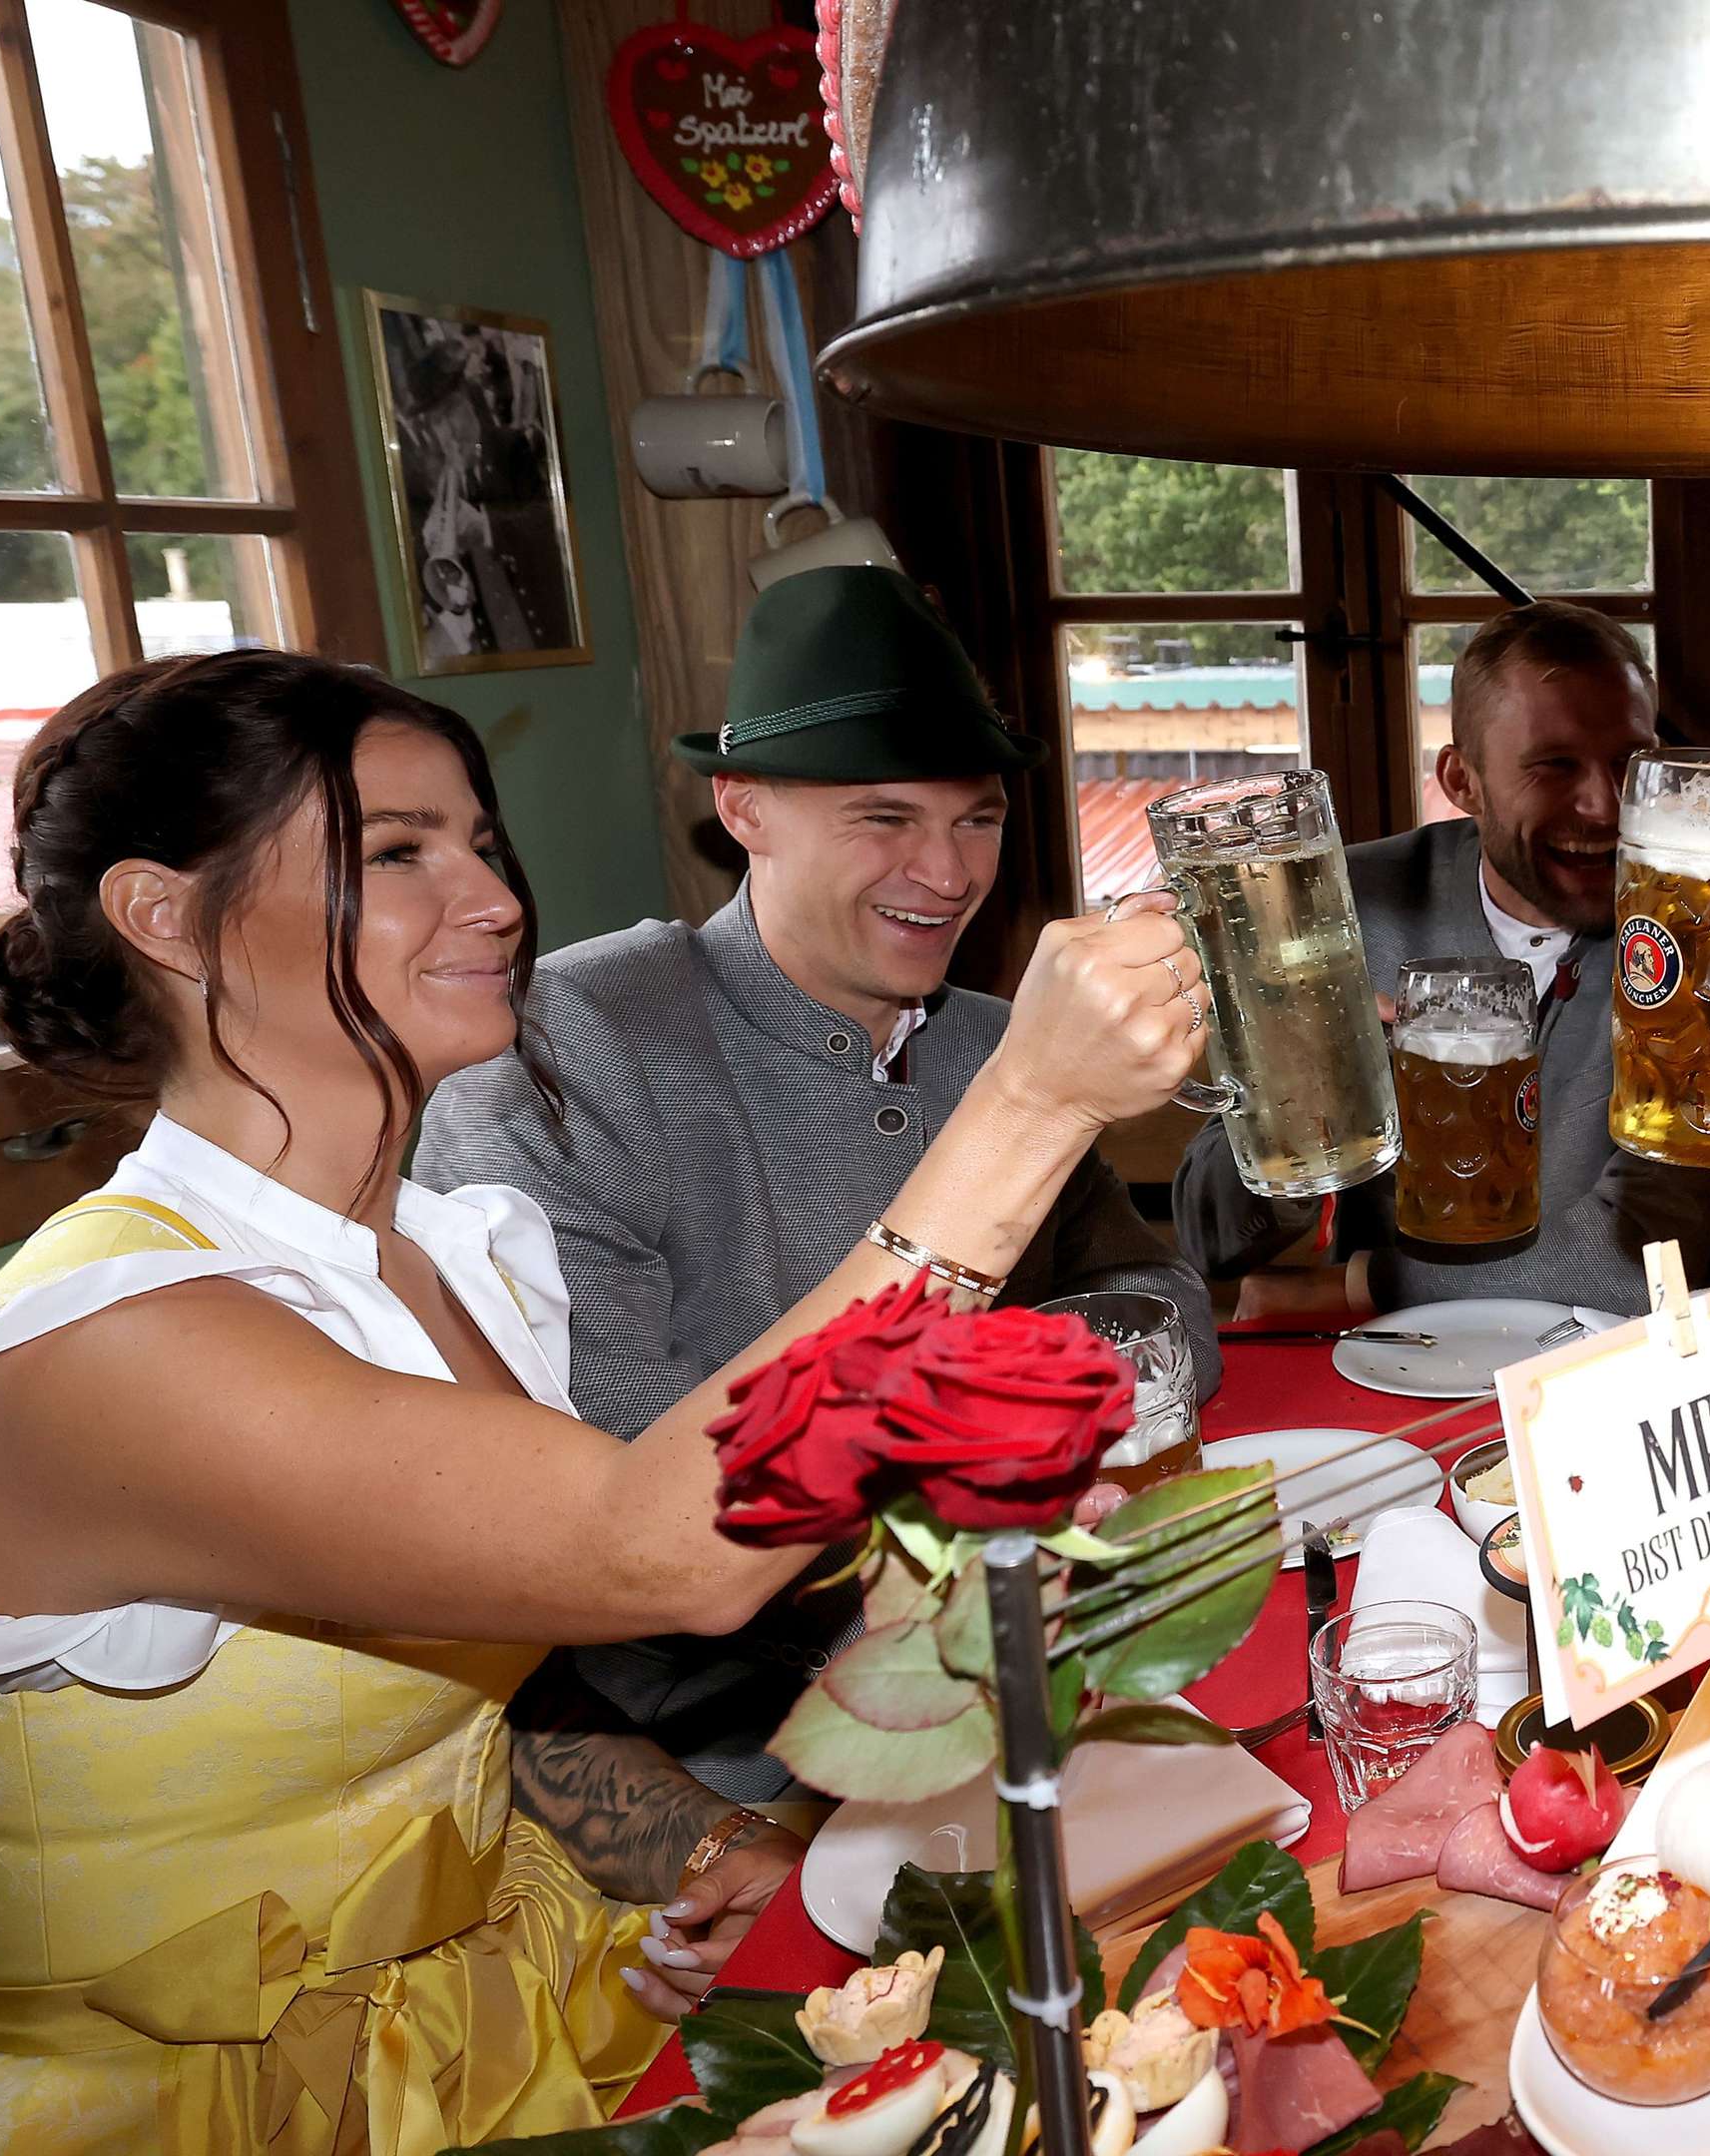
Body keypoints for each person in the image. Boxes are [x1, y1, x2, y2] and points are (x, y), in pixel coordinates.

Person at [0, 649, 1205, 2154]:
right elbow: (662, 1553)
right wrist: (1029, 1102)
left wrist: (712, 1846)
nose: (495, 899)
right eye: (397, 854)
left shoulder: (444, 1261)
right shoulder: (119, 1349)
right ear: (164, 917)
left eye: (481, 844)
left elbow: (499, 1664)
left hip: (495, 2002)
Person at [417, 565, 1214, 1822]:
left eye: (978, 820)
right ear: (743, 808)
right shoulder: (566, 1050)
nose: (946, 872)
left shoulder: (992, 1037)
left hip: (1050, 1663)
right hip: (730, 1777)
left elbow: (1156, 1298)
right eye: (884, 818)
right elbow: (626, 1502)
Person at [1175, 601, 1710, 1317]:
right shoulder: (1339, 913)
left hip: (1609, 1361)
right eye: (1554, 766)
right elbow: (1211, 1238)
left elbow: (1647, 1261)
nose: (1605, 805)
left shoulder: (1706, 928)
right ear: (1462, 780)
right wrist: (1308, 1094)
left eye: (1631, 761)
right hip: (1390, 1368)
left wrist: (1354, 1288)